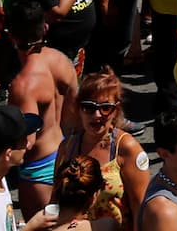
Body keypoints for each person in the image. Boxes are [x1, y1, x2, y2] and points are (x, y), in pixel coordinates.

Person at [3, 1, 79, 216]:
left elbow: (27, 141)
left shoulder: (23, 85)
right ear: (45, 28)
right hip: (66, 153)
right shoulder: (61, 60)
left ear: (11, 35)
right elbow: (75, 111)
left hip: (40, 170)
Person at [51, 70, 148, 225]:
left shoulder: (127, 148)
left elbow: (140, 206)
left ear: (115, 110)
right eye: (88, 107)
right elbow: (56, 199)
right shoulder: (67, 147)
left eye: (105, 108)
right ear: (78, 108)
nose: (96, 115)